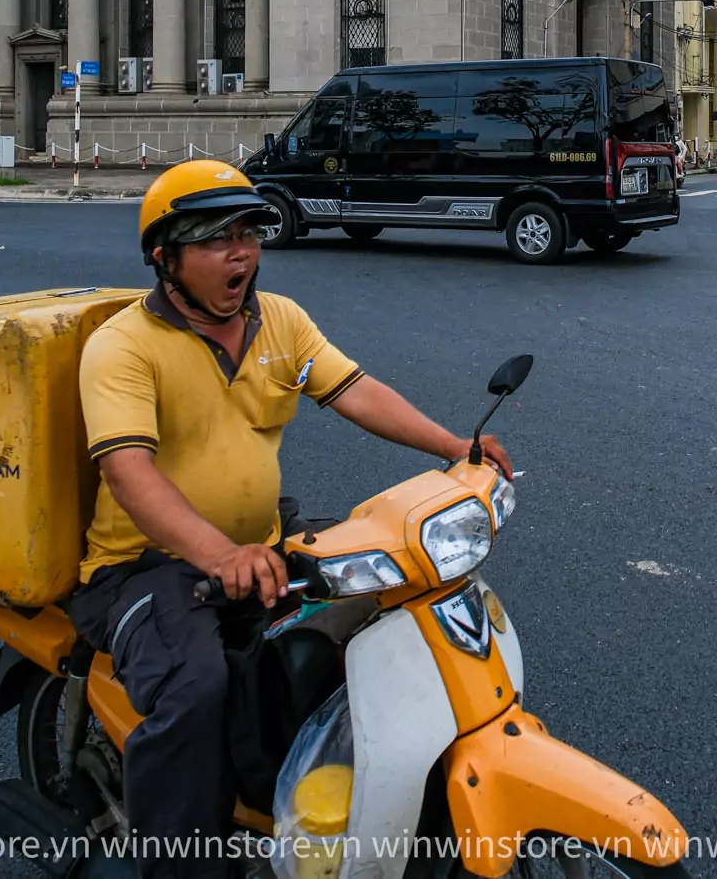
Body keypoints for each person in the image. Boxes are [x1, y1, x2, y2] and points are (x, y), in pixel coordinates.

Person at [71, 161, 513, 878]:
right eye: (217, 239)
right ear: (165, 256)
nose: (241, 253)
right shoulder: (123, 347)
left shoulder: (278, 321)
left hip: (261, 542)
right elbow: (129, 473)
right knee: (196, 689)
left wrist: (453, 445)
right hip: (141, 568)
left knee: (387, 611)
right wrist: (219, 555)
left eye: (248, 233)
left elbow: (356, 390)